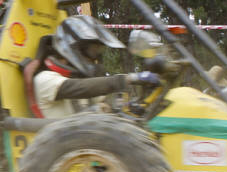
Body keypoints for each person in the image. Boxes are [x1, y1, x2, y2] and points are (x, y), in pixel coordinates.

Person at [24, 15, 160, 118]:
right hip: (61, 149)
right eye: (93, 51)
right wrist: (129, 78)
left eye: (98, 52)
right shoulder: (44, 79)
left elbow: (103, 105)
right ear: (73, 49)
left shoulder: (78, 79)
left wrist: (127, 108)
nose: (95, 59)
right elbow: (78, 88)